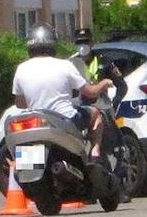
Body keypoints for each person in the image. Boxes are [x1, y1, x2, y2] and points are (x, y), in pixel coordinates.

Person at [12, 24, 112, 158]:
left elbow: (20, 103)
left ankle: (30, 166)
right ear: (53, 44)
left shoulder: (21, 69)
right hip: (66, 119)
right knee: (95, 114)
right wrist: (104, 83)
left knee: (27, 173)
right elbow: (91, 92)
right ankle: (95, 153)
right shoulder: (65, 65)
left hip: (37, 123)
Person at [70, 27, 132, 201]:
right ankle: (86, 191)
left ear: (92, 43)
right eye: (79, 43)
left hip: (102, 107)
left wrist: (115, 103)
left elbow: (122, 85)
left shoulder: (105, 62)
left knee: (115, 147)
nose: (83, 47)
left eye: (86, 43)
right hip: (79, 108)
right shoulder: (71, 64)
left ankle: (118, 188)